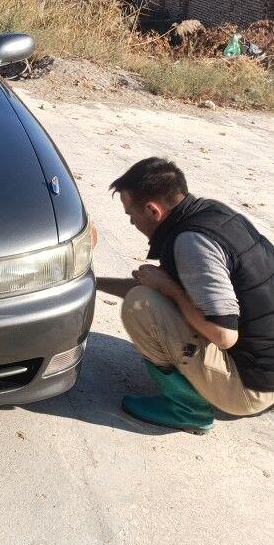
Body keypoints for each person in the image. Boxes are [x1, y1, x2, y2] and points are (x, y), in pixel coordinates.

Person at [104, 157, 274, 434]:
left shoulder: (191, 243)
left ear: (152, 210)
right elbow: (153, 284)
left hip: (251, 389)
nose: (132, 222)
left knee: (140, 306)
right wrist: (92, 282)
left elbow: (223, 335)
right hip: (267, 371)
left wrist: (169, 288)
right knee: (149, 294)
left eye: (130, 215)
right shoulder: (210, 214)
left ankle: (188, 409)